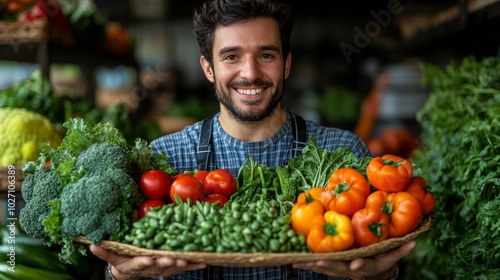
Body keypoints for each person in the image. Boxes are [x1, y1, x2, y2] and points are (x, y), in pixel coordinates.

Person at [90, 0, 416, 279]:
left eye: (266, 55)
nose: (249, 73)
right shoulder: (163, 158)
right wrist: (119, 274)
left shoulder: (345, 153)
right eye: (231, 56)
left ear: (286, 64)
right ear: (208, 68)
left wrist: (383, 274)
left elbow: (375, 250)